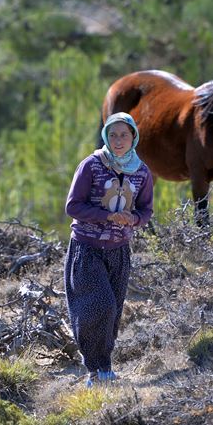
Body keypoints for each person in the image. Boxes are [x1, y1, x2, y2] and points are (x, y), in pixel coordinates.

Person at [64, 112, 154, 387]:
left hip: (119, 251)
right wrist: (107, 216)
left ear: (133, 137)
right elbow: (72, 206)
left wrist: (133, 219)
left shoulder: (141, 171)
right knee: (99, 306)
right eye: (112, 134)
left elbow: (146, 210)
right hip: (87, 248)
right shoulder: (91, 165)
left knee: (113, 312)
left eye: (124, 135)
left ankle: (104, 369)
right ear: (105, 136)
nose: (118, 140)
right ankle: (92, 369)